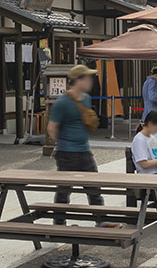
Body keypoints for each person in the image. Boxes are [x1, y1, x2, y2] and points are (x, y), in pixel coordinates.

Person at [47, 65, 118, 227]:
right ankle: (59, 223)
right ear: (78, 80)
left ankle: (101, 219)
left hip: (84, 149)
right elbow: (52, 128)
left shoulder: (86, 99)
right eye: (87, 78)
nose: (90, 81)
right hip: (66, 153)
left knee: (93, 186)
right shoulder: (62, 103)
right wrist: (64, 142)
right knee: (64, 190)